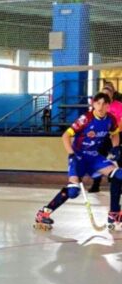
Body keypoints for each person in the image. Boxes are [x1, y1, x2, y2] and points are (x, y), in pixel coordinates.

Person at [35, 92, 122, 230]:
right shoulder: (85, 119)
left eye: (104, 104)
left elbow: (115, 133)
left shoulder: (110, 119)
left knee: (119, 175)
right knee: (73, 192)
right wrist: (71, 154)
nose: (100, 107)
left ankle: (114, 213)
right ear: (93, 104)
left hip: (94, 156)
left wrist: (116, 147)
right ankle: (44, 213)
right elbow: (65, 135)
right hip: (79, 156)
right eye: (98, 103)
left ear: (108, 106)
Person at [89, 81, 122, 192]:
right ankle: (96, 184)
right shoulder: (99, 106)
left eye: (107, 94)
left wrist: (115, 131)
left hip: (116, 134)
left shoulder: (119, 105)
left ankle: (119, 184)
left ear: (112, 94)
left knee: (118, 158)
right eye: (103, 94)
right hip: (102, 135)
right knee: (98, 158)